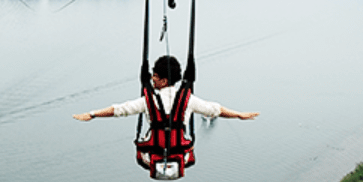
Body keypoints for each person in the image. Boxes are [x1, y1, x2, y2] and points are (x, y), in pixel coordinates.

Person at [73, 55, 258, 127]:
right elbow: (216, 109)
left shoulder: (149, 101)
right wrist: (239, 115)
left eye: (155, 76)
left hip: (151, 153)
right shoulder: (188, 100)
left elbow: (118, 109)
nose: (152, 79)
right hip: (181, 154)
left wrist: (92, 114)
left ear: (163, 80)